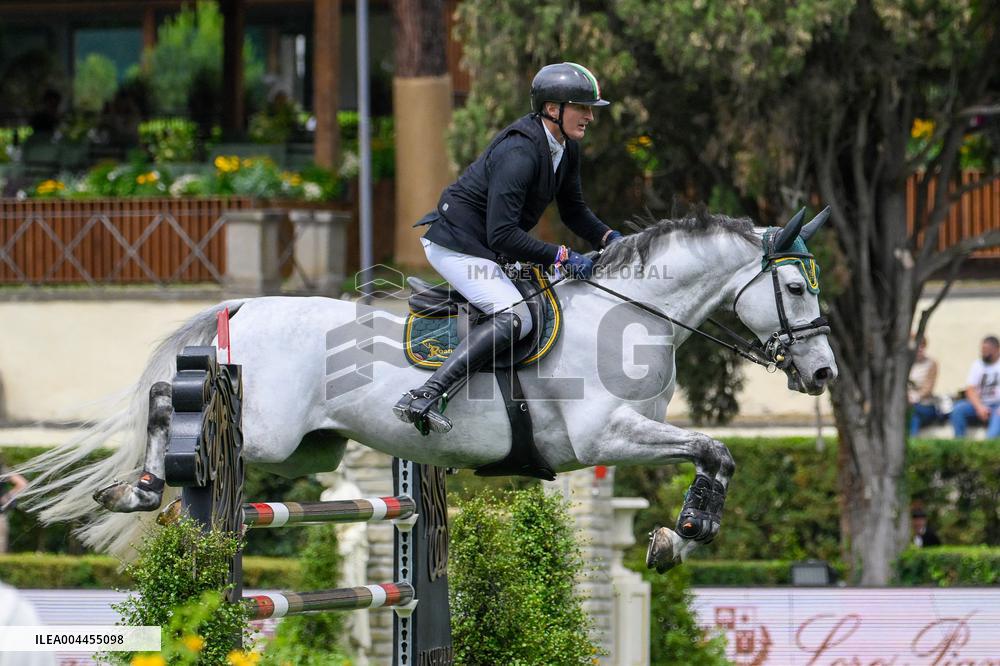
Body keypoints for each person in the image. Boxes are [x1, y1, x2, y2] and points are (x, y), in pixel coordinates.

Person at [393, 62, 623, 435]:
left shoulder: (565, 147)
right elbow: (502, 234)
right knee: (517, 317)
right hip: (458, 244)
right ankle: (425, 394)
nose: (590, 116)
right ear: (553, 109)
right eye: (582, 107)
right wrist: (561, 255)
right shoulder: (520, 152)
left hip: (489, 245)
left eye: (590, 108)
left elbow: (574, 210)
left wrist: (610, 238)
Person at [950, 335, 1000, 439]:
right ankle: (959, 444)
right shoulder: (977, 365)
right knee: (958, 409)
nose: (984, 353)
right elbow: (970, 389)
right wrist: (980, 407)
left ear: (997, 349)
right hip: (980, 403)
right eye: (982, 350)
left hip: (997, 406)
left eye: (987, 350)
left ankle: (988, 449)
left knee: (993, 433)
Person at [908, 336, 939, 436]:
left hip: (925, 405)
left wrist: (914, 397)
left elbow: (928, 388)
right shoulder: (905, 364)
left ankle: (912, 442)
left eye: (922, 346)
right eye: (917, 346)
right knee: (913, 416)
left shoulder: (931, 364)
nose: (919, 349)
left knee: (914, 413)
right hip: (905, 404)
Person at [0, 456, 28, 553]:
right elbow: (22, 484)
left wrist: (7, 497)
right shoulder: (3, 469)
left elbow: (22, 484)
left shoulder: (2, 470)